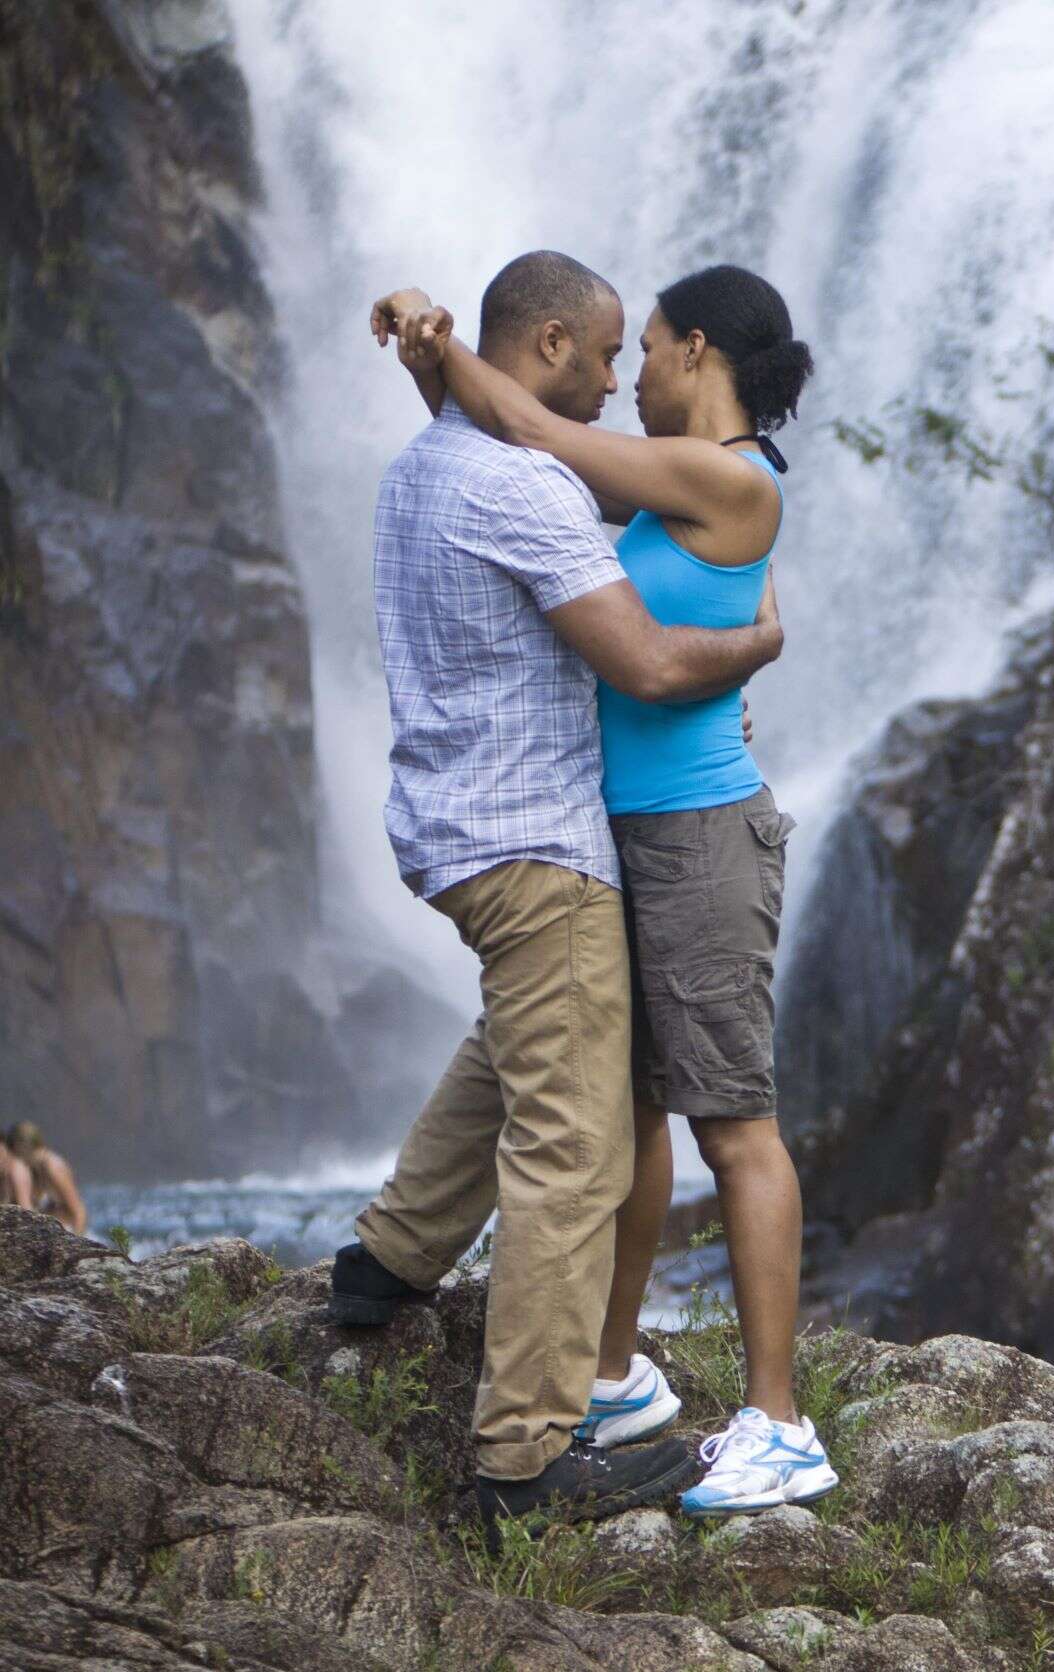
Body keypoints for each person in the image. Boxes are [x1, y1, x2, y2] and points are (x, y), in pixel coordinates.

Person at [333, 250, 788, 1533]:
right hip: (540, 844)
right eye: (599, 355)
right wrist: (751, 641)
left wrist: (432, 357)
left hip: (453, 827)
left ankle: (388, 1255)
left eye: (631, 353)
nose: (611, 381)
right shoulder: (527, 479)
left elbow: (506, 440)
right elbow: (644, 661)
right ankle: (528, 1454)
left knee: (526, 1044)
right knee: (576, 1144)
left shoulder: (429, 464)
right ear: (540, 349)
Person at [4, 1123, 83, 1236]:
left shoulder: (52, 1167)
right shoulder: (34, 1169)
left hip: (69, 1231)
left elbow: (79, 1211)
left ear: (21, 1146)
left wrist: (77, 1240)